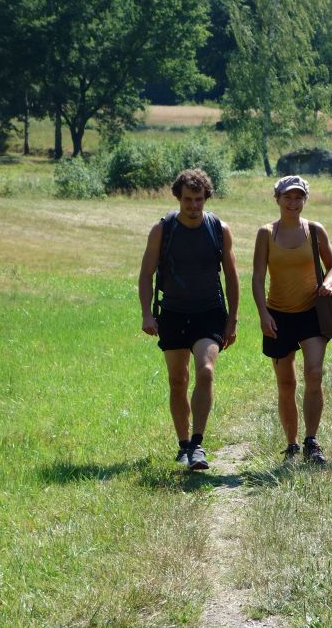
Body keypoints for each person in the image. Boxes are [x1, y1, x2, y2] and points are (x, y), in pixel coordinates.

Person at [138, 169, 239, 470]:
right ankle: (183, 445)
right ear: (178, 198)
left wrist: (232, 319)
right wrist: (146, 313)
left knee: (205, 372)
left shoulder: (219, 229)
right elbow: (146, 274)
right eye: (187, 200)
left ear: (206, 198)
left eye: (198, 200)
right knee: (178, 380)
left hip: (209, 313)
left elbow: (232, 277)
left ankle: (197, 444)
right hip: (172, 313)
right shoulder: (163, 229)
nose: (193, 206)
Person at [252, 175, 332, 464]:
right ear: (277, 199)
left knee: (314, 374)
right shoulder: (266, 233)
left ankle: (311, 442)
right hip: (278, 316)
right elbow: (257, 277)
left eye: (299, 197)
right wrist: (263, 314)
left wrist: (328, 283)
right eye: (288, 197)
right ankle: (291, 445)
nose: (293, 202)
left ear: (305, 200)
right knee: (286, 383)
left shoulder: (315, 230)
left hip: (312, 313)